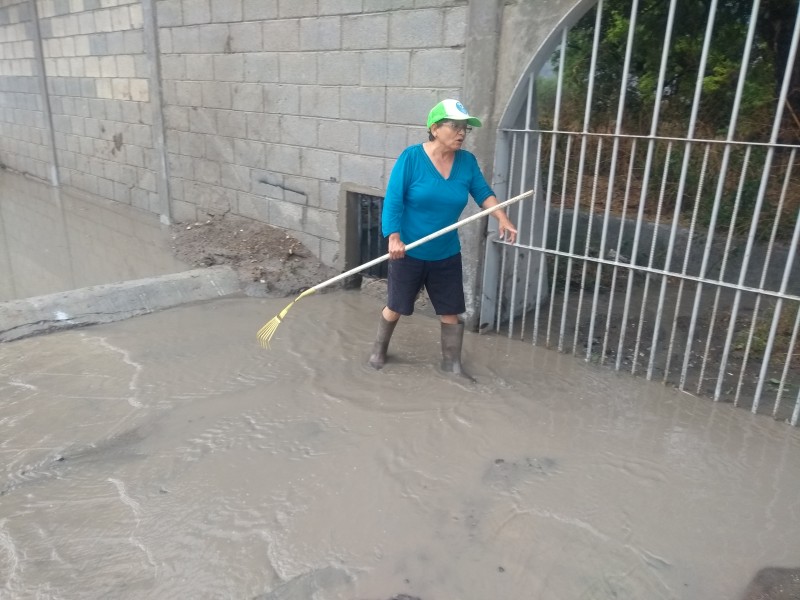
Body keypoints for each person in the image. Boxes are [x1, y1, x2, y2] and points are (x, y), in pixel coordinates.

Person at [368, 99, 518, 378]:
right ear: (435, 128)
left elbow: (483, 192)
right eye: (455, 126)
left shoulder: (467, 162)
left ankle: (452, 364)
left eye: (465, 128)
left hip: (446, 252)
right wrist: (394, 237)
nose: (462, 133)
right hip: (408, 250)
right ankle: (379, 349)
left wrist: (502, 218)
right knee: (396, 306)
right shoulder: (411, 158)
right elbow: (393, 201)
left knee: (450, 311)